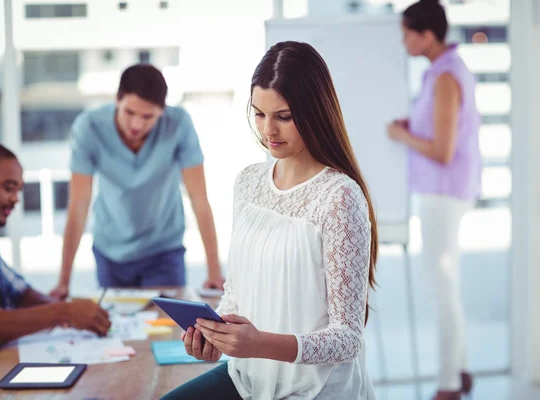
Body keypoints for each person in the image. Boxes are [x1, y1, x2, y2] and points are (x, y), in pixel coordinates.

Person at [162, 41, 378, 400]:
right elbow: (237, 292)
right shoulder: (248, 182)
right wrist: (216, 335)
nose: (268, 131)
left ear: (315, 111)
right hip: (248, 376)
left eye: (284, 116)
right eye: (259, 114)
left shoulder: (340, 197)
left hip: (314, 388)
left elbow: (348, 339)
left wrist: (259, 343)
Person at [0, 142, 111, 400]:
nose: (15, 199)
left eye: (18, 190)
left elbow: (18, 291)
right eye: (8, 187)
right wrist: (63, 312)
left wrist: (70, 314)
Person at [49, 64, 224, 300]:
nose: (137, 125)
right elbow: (79, 204)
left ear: (162, 111)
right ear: (117, 100)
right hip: (111, 252)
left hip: (164, 249)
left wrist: (214, 272)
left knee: (171, 328)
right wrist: (63, 281)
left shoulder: (178, 124)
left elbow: (199, 199)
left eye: (148, 116)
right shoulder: (89, 127)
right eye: (129, 112)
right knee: (118, 329)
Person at [386, 1, 481, 399]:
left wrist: (400, 135)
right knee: (447, 284)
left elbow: (442, 151)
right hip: (444, 191)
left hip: (442, 193)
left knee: (442, 288)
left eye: (407, 32)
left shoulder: (444, 77)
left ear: (427, 35)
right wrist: (414, 127)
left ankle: (447, 386)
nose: (403, 39)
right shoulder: (441, 73)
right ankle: (459, 371)